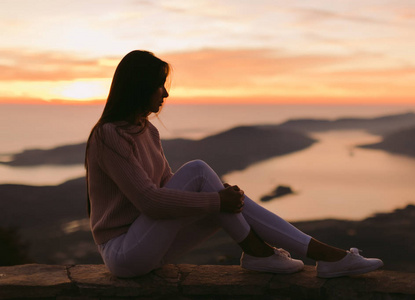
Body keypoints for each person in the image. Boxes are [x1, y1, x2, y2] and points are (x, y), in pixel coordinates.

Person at [85, 50, 383, 278]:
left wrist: (217, 197)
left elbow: (166, 185)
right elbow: (150, 201)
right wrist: (215, 200)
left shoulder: (147, 131)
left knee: (217, 191)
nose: (165, 93)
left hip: (151, 244)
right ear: (140, 87)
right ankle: (290, 254)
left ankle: (294, 255)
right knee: (200, 172)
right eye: (159, 86)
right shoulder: (108, 135)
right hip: (124, 252)